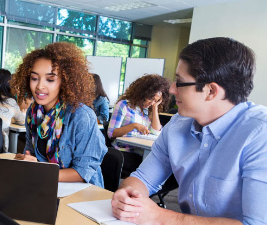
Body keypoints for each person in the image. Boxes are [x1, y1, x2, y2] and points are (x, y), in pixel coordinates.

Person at [112, 37, 267, 225]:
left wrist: (161, 217)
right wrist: (126, 195)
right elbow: (143, 178)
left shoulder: (259, 133)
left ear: (211, 91)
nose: (171, 89)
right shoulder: (178, 124)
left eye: (179, 82)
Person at [11, 42, 107, 184]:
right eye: (34, 78)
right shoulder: (33, 113)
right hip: (46, 186)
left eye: (50, 79)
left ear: (65, 82)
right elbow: (31, 154)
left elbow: (82, 172)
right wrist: (26, 160)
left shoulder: (81, 116)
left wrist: (40, 170)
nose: (39, 86)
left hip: (83, 194)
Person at [107, 74, 170, 175]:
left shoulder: (147, 110)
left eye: (156, 100)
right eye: (151, 99)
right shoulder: (124, 105)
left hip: (140, 151)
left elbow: (156, 132)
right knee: (153, 167)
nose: (152, 102)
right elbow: (111, 134)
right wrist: (134, 125)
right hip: (124, 151)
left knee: (161, 165)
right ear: (143, 93)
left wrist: (155, 108)